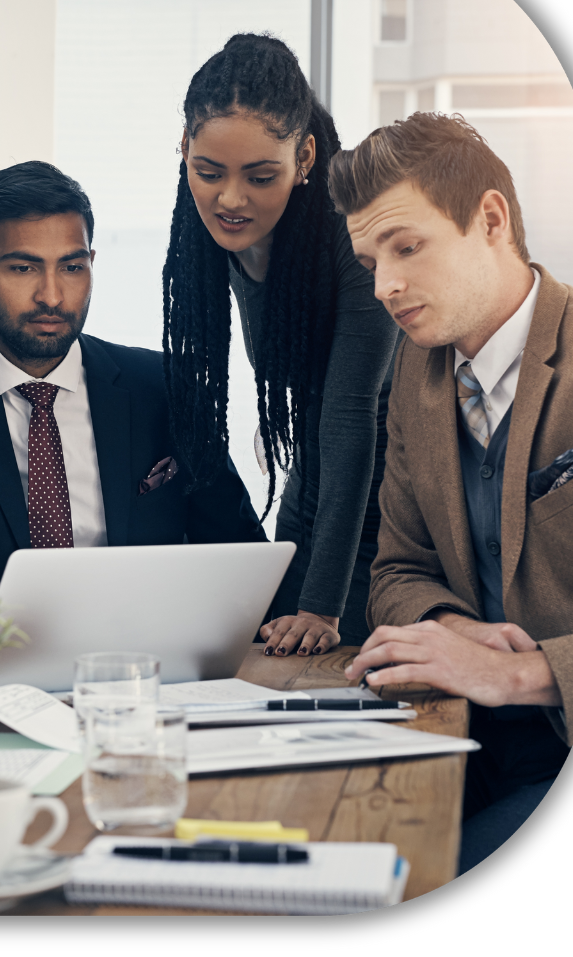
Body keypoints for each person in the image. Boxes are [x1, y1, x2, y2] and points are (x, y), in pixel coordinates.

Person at [331, 113, 573, 874]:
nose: (384, 286)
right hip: (460, 740)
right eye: (370, 261)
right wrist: (451, 628)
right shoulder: (419, 373)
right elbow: (396, 569)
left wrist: (526, 671)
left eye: (406, 248)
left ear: (489, 220)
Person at [0, 161, 266, 587]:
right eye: (23, 268)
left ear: (91, 264)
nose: (51, 296)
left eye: (71, 268)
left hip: (144, 645)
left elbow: (241, 554)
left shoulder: (164, 385)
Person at [163, 33, 400, 653]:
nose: (231, 199)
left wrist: (321, 608)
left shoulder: (352, 239)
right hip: (317, 483)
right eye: (208, 172)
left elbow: (351, 420)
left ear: (305, 160)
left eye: (260, 176)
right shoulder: (212, 235)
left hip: (401, 502)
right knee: (263, 652)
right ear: (184, 147)